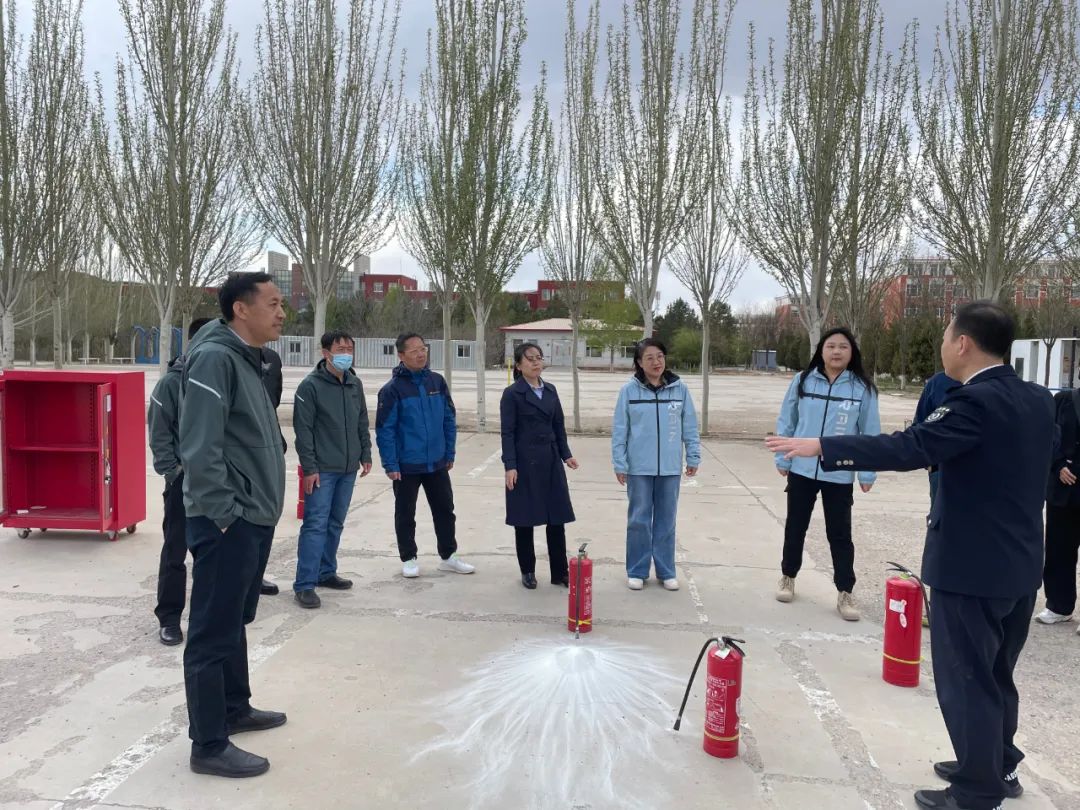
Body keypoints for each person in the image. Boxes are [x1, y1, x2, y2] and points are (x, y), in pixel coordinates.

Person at [767, 301, 1055, 810]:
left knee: (967, 680)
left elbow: (910, 447)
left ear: (963, 343)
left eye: (946, 336)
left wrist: (825, 447)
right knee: (996, 675)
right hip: (1020, 565)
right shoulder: (1037, 398)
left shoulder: (973, 402)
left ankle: (977, 790)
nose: (942, 345)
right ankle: (996, 763)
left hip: (971, 569)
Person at [178, 272, 288, 778]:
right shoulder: (215, 358)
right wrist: (225, 515)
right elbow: (200, 448)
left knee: (232, 622)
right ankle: (208, 744)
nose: (281, 313)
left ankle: (234, 707)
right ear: (241, 309)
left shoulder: (249, 359)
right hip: (228, 520)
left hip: (253, 515)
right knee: (211, 631)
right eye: (273, 303)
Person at [773, 327, 880, 621]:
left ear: (852, 352)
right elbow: (787, 420)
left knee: (840, 534)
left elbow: (869, 434)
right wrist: (783, 456)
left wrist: (867, 473)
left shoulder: (862, 389)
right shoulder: (803, 380)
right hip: (802, 469)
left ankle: (845, 591)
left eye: (843, 347)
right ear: (821, 350)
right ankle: (788, 576)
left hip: (839, 472)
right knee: (795, 526)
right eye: (831, 346)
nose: (836, 352)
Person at [376, 332, 474, 578]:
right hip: (407, 464)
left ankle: (448, 556)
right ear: (401, 356)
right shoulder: (392, 390)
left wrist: (449, 451)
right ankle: (409, 558)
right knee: (405, 513)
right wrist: (390, 464)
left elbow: (448, 419)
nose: (421, 354)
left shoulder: (437, 382)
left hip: (437, 462)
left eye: (423, 349)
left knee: (445, 510)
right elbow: (385, 430)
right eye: (414, 351)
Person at [611, 338, 700, 592]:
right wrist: (620, 463)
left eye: (659, 356)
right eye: (649, 358)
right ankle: (637, 571)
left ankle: (666, 571)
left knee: (666, 520)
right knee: (639, 520)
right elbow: (620, 429)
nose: (656, 362)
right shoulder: (629, 391)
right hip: (639, 468)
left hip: (669, 468)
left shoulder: (680, 390)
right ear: (639, 363)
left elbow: (689, 425)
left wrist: (693, 456)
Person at [292, 331, 372, 608]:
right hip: (322, 469)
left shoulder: (354, 383)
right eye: (340, 349)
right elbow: (303, 431)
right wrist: (310, 468)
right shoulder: (310, 386)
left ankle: (326, 572)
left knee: (335, 522)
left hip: (348, 467)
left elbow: (362, 421)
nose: (346, 354)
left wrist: (365, 453)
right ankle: (305, 584)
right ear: (326, 353)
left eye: (350, 348)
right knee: (315, 524)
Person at [147, 317, 212, 646]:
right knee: (176, 551)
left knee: (211, 554)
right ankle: (170, 617)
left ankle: (205, 617)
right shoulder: (170, 384)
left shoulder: (218, 379)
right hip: (182, 483)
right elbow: (159, 435)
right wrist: (173, 473)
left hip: (215, 482)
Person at [501, 342, 579, 589]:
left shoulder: (551, 390)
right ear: (519, 365)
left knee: (556, 519)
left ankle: (560, 572)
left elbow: (558, 426)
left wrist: (566, 455)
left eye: (539, 358)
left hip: (550, 460)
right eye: (530, 358)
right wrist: (510, 465)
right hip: (524, 463)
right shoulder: (512, 394)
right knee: (524, 519)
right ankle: (528, 571)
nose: (536, 362)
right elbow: (507, 433)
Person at [914, 371, 960, 626]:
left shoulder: (995, 386)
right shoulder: (938, 384)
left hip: (985, 478)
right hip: (942, 474)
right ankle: (939, 607)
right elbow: (920, 428)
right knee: (942, 536)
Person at [1036, 387, 1080, 628]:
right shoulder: (1063, 399)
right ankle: (1059, 606)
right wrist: (1058, 464)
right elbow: (1047, 436)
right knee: (1058, 550)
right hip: (1062, 490)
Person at [257, 344, 286, 597]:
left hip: (269, 447)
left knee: (267, 517)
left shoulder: (271, 359)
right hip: (239, 452)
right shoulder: (222, 356)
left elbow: (274, 398)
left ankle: (256, 574)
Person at [915, 371, 961, 507]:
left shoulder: (992, 385)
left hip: (982, 475)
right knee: (940, 515)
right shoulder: (937, 383)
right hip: (940, 472)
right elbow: (920, 427)